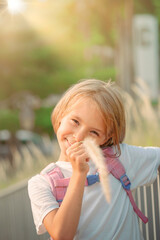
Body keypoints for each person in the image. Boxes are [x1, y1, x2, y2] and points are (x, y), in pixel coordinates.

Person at [28, 79, 160, 240]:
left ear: (106, 138)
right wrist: (78, 173)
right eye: (75, 121)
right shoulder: (41, 184)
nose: (79, 136)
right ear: (62, 114)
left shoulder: (119, 158)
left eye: (94, 133)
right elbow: (61, 235)